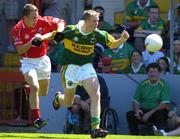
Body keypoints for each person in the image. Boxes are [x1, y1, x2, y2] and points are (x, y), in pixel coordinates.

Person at [52, 9, 129, 138]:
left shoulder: (98, 34)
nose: (97, 24)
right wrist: (53, 36)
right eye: (94, 21)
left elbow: (113, 44)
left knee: (96, 95)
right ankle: (58, 98)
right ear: (86, 21)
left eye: (98, 21)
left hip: (86, 67)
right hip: (70, 68)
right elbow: (55, 38)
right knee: (67, 102)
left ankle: (95, 129)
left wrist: (122, 39)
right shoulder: (71, 30)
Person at [12, 4, 66, 129]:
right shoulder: (17, 29)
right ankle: (37, 119)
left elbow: (61, 22)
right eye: (33, 18)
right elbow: (20, 50)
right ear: (25, 18)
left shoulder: (42, 21)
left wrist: (58, 32)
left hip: (43, 60)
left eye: (37, 17)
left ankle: (30, 89)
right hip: (27, 61)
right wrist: (31, 42)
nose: (36, 20)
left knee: (42, 92)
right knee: (35, 87)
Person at [126, 63, 170, 135]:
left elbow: (164, 104)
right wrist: (137, 111)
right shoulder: (142, 84)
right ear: (147, 73)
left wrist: (148, 114)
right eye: (151, 72)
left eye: (155, 72)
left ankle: (157, 134)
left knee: (161, 113)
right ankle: (135, 135)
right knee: (130, 114)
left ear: (159, 73)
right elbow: (136, 101)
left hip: (157, 111)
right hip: (144, 110)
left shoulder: (163, 85)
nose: (153, 74)